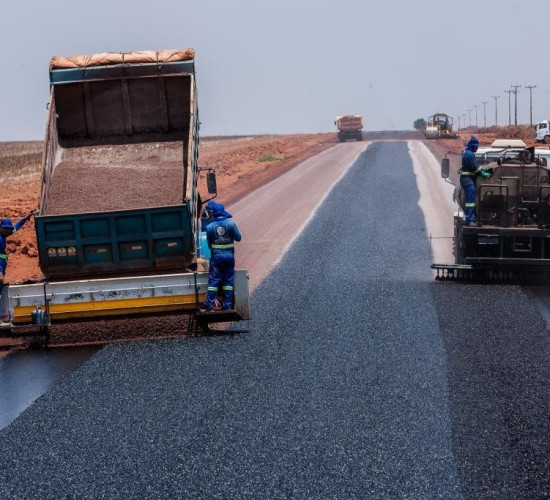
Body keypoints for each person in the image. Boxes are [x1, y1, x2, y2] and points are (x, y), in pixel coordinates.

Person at [201, 203, 242, 312]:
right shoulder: (231, 224)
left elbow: (209, 245)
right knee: (228, 280)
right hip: (229, 257)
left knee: (214, 281)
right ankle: (227, 304)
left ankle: (209, 303)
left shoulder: (210, 227)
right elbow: (238, 238)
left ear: (213, 214)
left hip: (216, 258)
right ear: (223, 212)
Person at [460, 136, 491, 226]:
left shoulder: (469, 153)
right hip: (467, 180)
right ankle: (469, 220)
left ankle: (472, 218)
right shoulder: (469, 154)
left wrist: (484, 170)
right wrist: (485, 174)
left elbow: (477, 167)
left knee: (472, 198)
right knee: (470, 200)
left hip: (469, 179)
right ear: (473, 146)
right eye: (477, 146)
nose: (477, 148)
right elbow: (475, 169)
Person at [0, 213, 33, 295]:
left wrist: (25, 219)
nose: (9, 231)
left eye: (9, 229)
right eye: (6, 229)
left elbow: (16, 227)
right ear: (1, 228)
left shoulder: (5, 234)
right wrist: (0, 272)